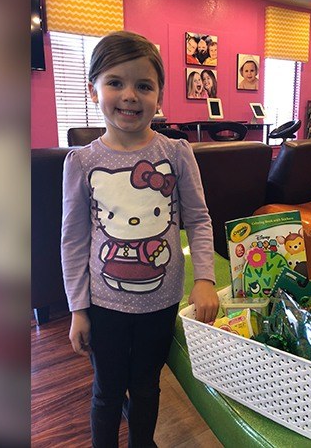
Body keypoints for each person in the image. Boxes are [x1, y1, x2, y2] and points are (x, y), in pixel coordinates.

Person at [61, 30, 219, 448]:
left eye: (143, 85)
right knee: (107, 392)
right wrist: (78, 307)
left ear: (159, 96)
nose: (129, 95)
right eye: (115, 82)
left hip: (161, 302)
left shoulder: (177, 153)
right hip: (103, 305)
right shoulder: (81, 161)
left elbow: (199, 220)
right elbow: (74, 240)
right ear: (93, 89)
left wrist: (205, 277)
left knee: (148, 388)